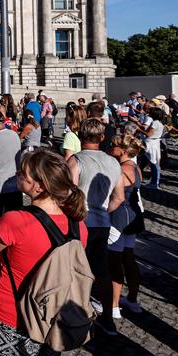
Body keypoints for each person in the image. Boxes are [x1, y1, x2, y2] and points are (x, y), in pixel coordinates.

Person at [0, 150, 89, 356]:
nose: (18, 174)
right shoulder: (78, 225)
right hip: (52, 318)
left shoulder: (16, 221)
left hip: (10, 315)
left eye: (22, 174)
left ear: (40, 185)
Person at [67, 119, 125, 336]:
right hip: (102, 223)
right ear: (102, 137)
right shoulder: (113, 163)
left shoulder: (76, 160)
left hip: (80, 222)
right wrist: (103, 211)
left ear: (80, 135)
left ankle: (76, 314)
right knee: (102, 271)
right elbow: (119, 198)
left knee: (75, 270)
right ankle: (108, 319)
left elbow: (69, 195)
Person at [108, 134, 144, 319]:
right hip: (133, 216)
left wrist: (106, 212)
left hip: (120, 217)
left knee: (115, 261)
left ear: (122, 151)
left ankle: (113, 305)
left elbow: (118, 196)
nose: (110, 147)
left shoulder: (121, 170)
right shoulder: (135, 167)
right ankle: (132, 299)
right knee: (128, 258)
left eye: (113, 145)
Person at [137, 107, 165, 188]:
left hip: (151, 143)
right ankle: (154, 182)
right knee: (153, 163)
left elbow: (149, 134)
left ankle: (154, 183)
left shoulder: (155, 123)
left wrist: (139, 129)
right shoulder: (159, 122)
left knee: (154, 164)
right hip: (155, 143)